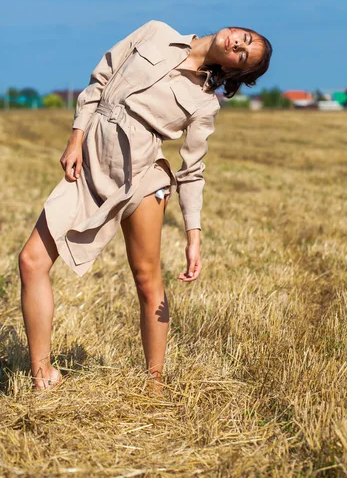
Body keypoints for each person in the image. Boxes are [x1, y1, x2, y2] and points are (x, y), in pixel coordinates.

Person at [18, 20, 272, 392]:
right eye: (244, 39)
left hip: (142, 177)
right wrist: (76, 137)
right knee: (31, 261)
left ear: (234, 70)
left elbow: (193, 170)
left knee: (146, 279)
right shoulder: (156, 32)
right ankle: (43, 375)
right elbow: (100, 79)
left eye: (243, 55)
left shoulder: (203, 104)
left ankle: (154, 384)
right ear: (236, 28)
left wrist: (193, 233)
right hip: (91, 162)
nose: (237, 45)